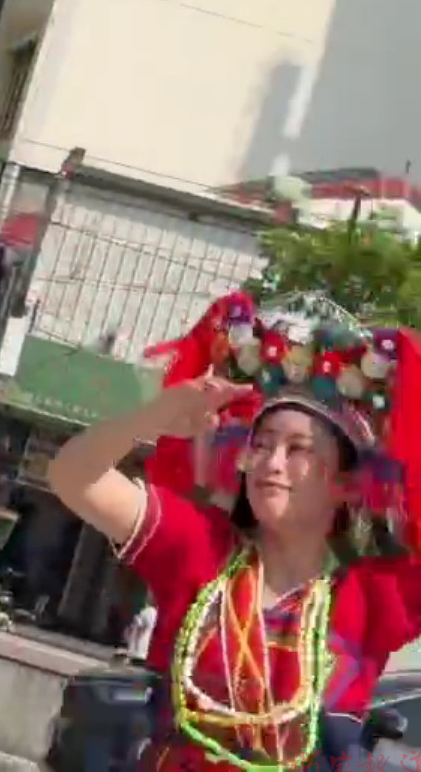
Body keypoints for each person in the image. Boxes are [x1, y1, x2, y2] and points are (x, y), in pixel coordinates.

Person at [46, 291, 421, 769]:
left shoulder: (374, 598)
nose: (271, 463)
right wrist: (152, 416)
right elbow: (74, 477)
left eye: (298, 450)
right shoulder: (200, 548)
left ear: (346, 484)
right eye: (261, 445)